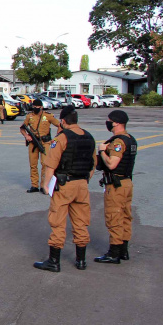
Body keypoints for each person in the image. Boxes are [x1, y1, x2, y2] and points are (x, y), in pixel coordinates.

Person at [33, 107, 97, 272]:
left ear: (62, 121)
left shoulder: (62, 138)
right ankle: (81, 261)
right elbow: (93, 164)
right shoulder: (89, 137)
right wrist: (84, 180)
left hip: (64, 185)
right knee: (81, 222)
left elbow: (50, 165)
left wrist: (46, 186)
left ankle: (54, 261)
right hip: (82, 184)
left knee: (58, 222)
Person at [93, 110, 137, 264]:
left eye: (110, 120)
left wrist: (102, 151)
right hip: (126, 182)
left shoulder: (118, 142)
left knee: (114, 217)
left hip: (116, 184)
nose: (108, 122)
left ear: (117, 123)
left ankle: (114, 252)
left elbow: (112, 164)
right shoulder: (131, 139)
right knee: (125, 216)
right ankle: (123, 250)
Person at [19, 99, 61, 193]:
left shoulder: (47, 116)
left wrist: (56, 138)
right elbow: (22, 128)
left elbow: (59, 125)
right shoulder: (29, 116)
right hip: (33, 143)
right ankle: (34, 185)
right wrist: (26, 136)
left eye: (37, 107)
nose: (35, 108)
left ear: (41, 107)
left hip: (45, 142)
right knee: (33, 164)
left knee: (45, 164)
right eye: (34, 107)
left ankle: (43, 185)